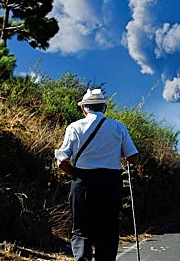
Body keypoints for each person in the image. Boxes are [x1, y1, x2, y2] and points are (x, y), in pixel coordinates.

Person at [55, 88, 139, 261]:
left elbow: (62, 161)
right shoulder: (118, 127)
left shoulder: (74, 127)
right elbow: (133, 157)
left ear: (84, 108)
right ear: (104, 108)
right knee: (107, 230)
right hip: (110, 183)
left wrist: (76, 175)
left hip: (82, 182)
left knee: (81, 230)